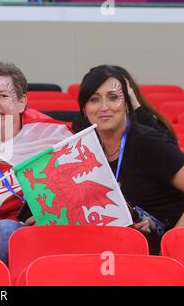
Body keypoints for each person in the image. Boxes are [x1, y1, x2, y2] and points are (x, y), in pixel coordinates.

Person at [0, 62, 72, 264]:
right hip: (6, 241)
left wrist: (51, 217)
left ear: (22, 102)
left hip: (57, 233)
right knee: (2, 230)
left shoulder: (53, 138)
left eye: (3, 96)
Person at [75, 65, 184, 254]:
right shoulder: (83, 148)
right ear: (84, 109)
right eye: (94, 100)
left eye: (113, 97)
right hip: (121, 243)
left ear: (127, 104)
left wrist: (173, 243)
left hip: (165, 247)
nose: (104, 107)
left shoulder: (149, 143)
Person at [111, 65, 178, 143]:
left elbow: (166, 146)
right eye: (95, 99)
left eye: (113, 97)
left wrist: (135, 106)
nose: (105, 105)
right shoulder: (97, 122)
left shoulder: (147, 120)